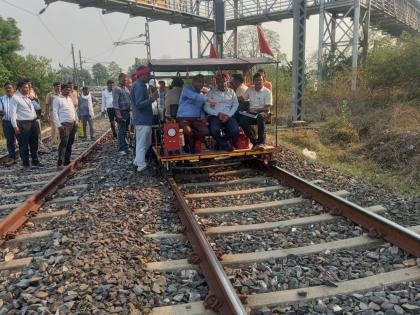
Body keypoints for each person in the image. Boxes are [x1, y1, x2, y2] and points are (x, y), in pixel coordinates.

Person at [177, 74, 217, 153]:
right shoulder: (186, 89)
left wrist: (203, 117)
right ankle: (190, 145)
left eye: (202, 82)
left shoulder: (201, 94)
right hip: (183, 118)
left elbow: (201, 108)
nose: (201, 84)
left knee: (205, 131)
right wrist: (208, 99)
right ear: (193, 82)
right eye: (199, 81)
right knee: (188, 131)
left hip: (196, 119)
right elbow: (195, 96)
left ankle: (192, 140)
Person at [9, 80, 43, 170]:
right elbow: (13, 114)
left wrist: (33, 99)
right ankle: (26, 164)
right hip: (23, 123)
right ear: (20, 88)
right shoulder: (15, 98)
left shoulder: (28, 97)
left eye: (28, 87)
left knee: (34, 143)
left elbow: (37, 108)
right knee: (23, 145)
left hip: (33, 122)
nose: (28, 89)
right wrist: (15, 126)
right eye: (25, 87)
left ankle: (35, 162)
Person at [131, 66, 158, 172]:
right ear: (141, 75)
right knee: (143, 142)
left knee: (144, 142)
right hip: (142, 119)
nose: (148, 77)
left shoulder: (139, 85)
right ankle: (141, 163)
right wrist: (152, 98)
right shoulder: (139, 86)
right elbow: (139, 104)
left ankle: (138, 160)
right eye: (147, 75)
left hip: (142, 119)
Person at [204, 73, 239, 151]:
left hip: (228, 115)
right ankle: (226, 146)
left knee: (235, 131)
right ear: (216, 82)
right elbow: (206, 107)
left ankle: (219, 143)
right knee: (214, 130)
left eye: (224, 81)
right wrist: (217, 114)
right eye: (220, 82)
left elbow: (236, 104)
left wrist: (229, 115)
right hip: (215, 116)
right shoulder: (211, 92)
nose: (223, 84)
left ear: (227, 81)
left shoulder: (231, 92)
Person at [237, 72, 272, 149]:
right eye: (256, 80)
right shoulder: (250, 89)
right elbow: (242, 98)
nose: (259, 82)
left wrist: (256, 109)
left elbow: (267, 109)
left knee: (260, 117)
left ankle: (261, 143)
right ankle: (254, 142)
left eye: (260, 80)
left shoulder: (267, 92)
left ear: (263, 81)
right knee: (242, 121)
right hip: (252, 114)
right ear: (253, 82)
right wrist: (231, 98)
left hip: (263, 113)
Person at [53, 83, 78, 170]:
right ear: (62, 90)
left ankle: (67, 160)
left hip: (72, 123)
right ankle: (60, 163)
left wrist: (76, 120)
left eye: (69, 89)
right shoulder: (57, 99)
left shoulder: (70, 99)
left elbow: (73, 110)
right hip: (64, 124)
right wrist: (58, 125)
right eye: (66, 89)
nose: (68, 90)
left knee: (70, 142)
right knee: (63, 143)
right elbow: (55, 113)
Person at [113, 73, 132, 155]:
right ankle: (121, 149)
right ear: (119, 79)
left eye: (126, 80)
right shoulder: (117, 89)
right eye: (123, 80)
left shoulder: (126, 89)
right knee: (121, 131)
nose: (125, 81)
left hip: (127, 112)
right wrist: (118, 114)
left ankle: (126, 147)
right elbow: (115, 102)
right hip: (121, 112)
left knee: (126, 130)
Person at [0, 82, 17, 163]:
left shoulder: (17, 98)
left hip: (18, 122)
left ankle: (25, 157)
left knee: (21, 139)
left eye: (10, 88)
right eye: (6, 88)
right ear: (4, 89)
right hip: (7, 122)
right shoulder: (1, 99)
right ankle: (12, 157)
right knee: (10, 140)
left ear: (13, 89)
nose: (8, 89)